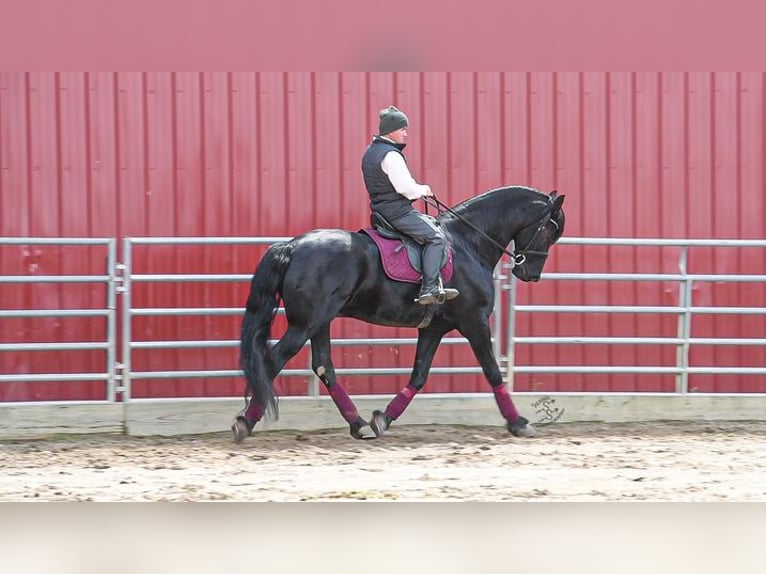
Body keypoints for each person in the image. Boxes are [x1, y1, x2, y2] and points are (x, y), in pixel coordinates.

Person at [361, 106, 459, 305]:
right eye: (402, 129)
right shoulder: (391, 155)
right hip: (397, 212)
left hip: (380, 211)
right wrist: (424, 189)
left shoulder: (370, 152)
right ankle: (429, 287)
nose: (406, 133)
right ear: (391, 130)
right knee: (436, 238)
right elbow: (406, 189)